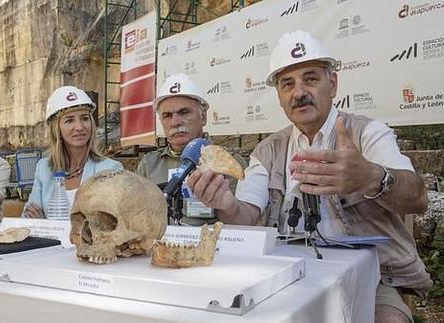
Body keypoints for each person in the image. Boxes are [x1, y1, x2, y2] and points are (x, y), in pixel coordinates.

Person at [187, 30, 431, 323]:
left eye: (311, 79)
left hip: (375, 275)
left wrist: (371, 177)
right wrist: (225, 204)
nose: (299, 92)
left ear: (333, 83)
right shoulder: (267, 151)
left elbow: (418, 199)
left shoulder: (367, 133)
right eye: (287, 84)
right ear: (279, 97)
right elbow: (247, 214)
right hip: (287, 274)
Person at [136, 73, 245, 224]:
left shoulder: (228, 164)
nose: (175, 122)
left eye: (184, 112)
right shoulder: (149, 165)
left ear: (203, 117)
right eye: (167, 115)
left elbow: (245, 224)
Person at [23, 86, 123, 218]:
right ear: (56, 128)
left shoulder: (111, 170)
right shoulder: (44, 169)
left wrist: (46, 224)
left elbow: (112, 223)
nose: (79, 127)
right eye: (69, 120)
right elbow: (29, 217)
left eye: (84, 118)